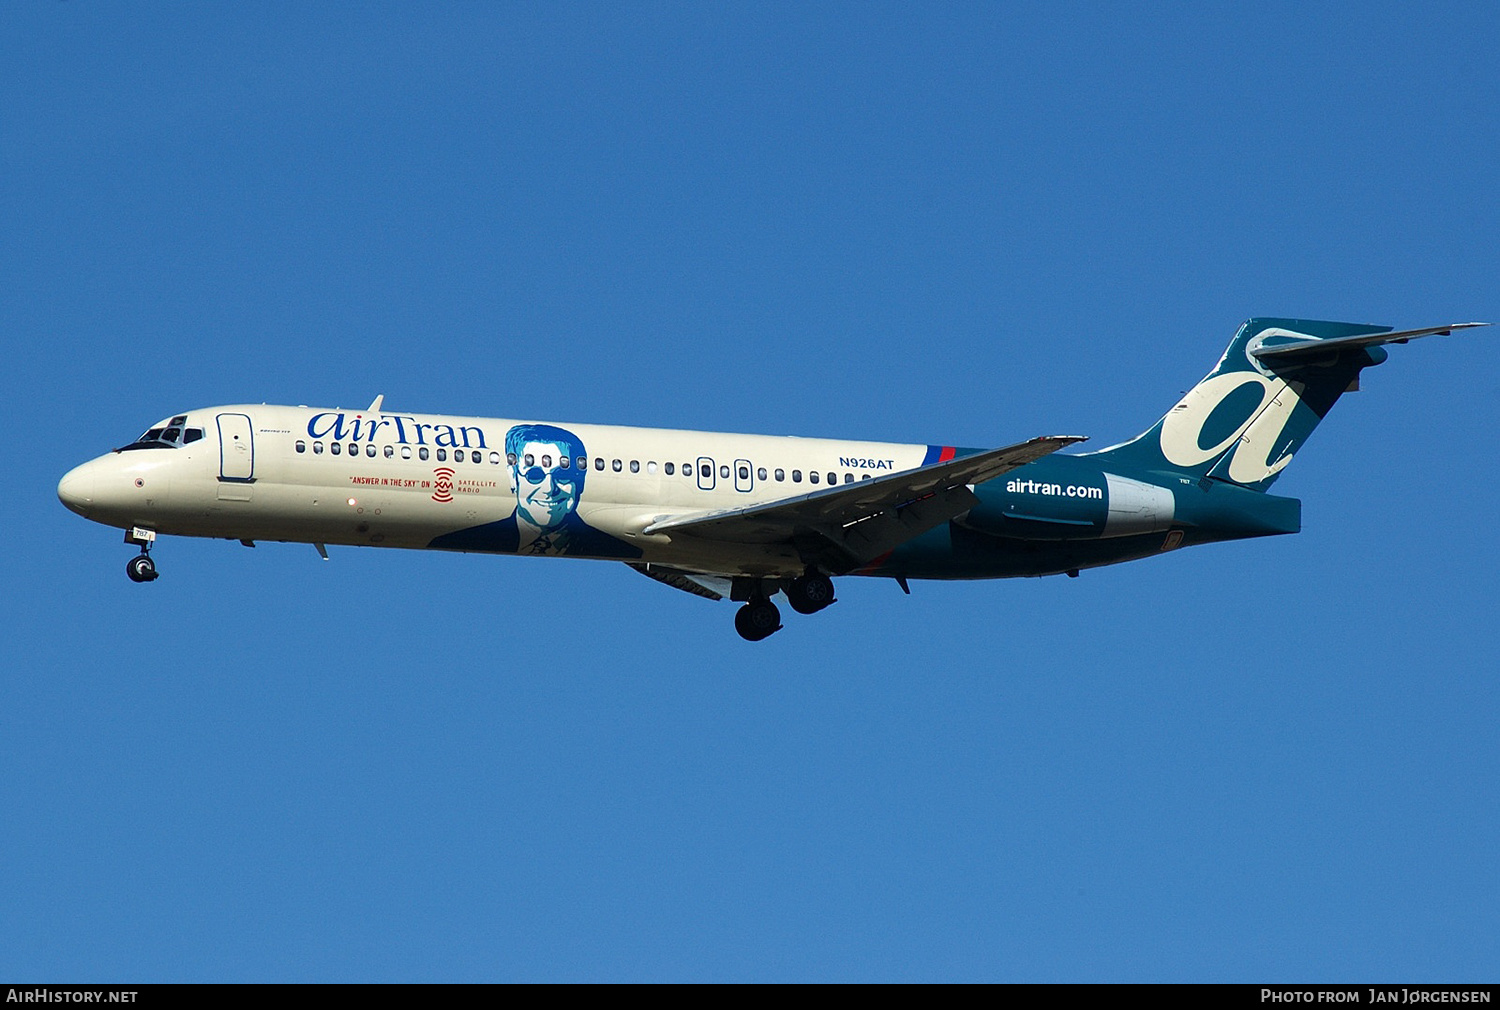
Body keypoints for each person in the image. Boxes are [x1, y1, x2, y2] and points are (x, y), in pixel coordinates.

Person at [429, 423, 641, 559]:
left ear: (581, 482)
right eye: (535, 475)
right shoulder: (450, 538)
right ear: (514, 477)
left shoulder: (627, 548)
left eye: (562, 475)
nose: (549, 489)